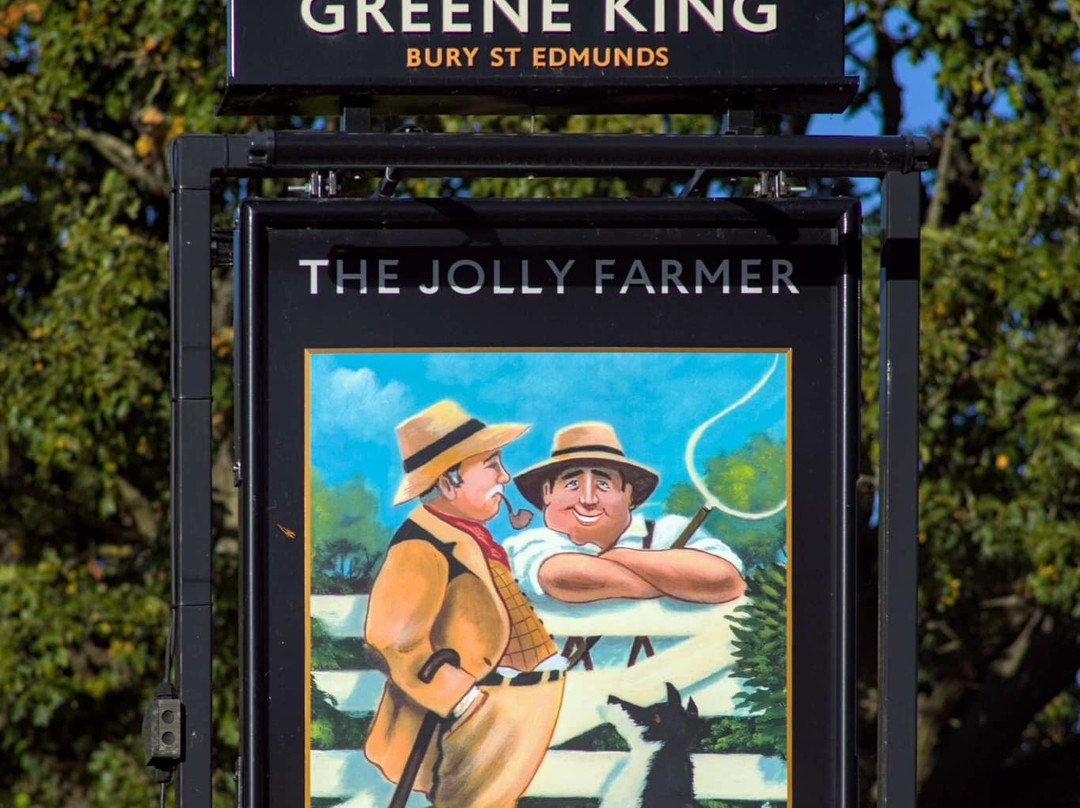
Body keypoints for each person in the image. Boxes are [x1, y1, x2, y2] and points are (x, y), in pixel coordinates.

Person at [363, 400, 565, 808]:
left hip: (517, 708)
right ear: (449, 482)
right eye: (491, 464)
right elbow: (393, 639)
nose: (504, 476)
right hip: (480, 713)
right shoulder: (421, 545)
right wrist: (463, 700)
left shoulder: (468, 536)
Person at [504, 421, 745, 667]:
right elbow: (562, 576)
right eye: (572, 484)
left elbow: (726, 580)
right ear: (547, 492)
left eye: (603, 484)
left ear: (628, 494)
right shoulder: (529, 544)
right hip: (570, 688)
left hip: (673, 685)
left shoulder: (670, 531)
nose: (588, 499)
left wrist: (619, 555)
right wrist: (678, 579)